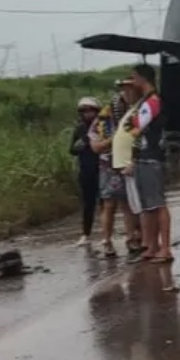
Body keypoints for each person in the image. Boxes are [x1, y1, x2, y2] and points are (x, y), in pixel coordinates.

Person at [122, 63, 173, 263]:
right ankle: (152, 246)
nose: (131, 82)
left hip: (152, 157)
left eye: (133, 78)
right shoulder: (143, 101)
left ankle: (165, 248)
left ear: (142, 78)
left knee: (158, 204)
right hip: (143, 157)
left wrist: (132, 118)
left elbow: (135, 126)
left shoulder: (152, 101)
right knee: (147, 206)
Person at [90, 79, 144, 259]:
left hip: (130, 161)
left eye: (130, 90)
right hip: (109, 164)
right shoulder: (106, 115)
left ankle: (131, 238)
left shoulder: (137, 111)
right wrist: (115, 139)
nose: (127, 94)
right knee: (109, 204)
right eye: (124, 90)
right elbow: (95, 146)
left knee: (129, 203)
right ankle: (107, 241)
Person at [69, 96, 104, 247]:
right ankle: (85, 234)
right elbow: (71, 150)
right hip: (86, 170)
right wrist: (79, 145)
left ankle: (105, 234)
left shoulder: (102, 127)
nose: (88, 114)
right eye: (84, 111)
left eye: (91, 111)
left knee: (105, 203)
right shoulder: (80, 129)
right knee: (88, 204)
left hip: (102, 168)